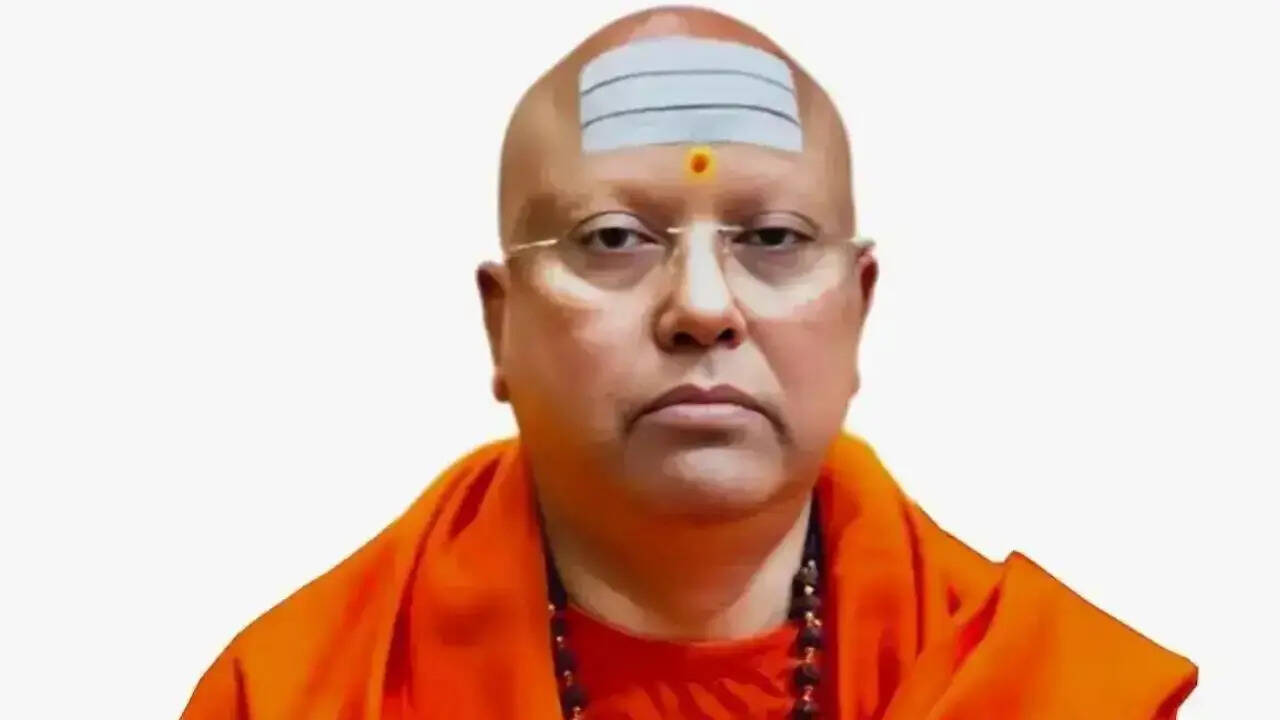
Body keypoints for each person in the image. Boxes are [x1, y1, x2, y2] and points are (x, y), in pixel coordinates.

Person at [182, 6, 1197, 719]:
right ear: (500, 324)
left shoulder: (1042, 686)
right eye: (614, 239)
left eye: (773, 238)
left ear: (858, 309)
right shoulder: (294, 694)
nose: (703, 308)